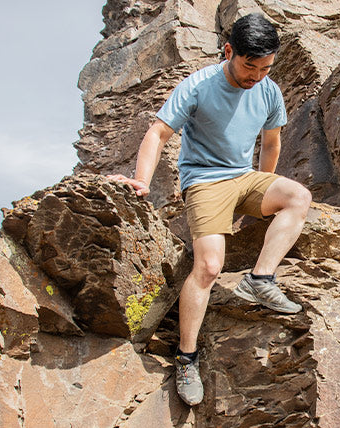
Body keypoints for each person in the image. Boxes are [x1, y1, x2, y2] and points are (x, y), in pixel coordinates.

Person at [107, 13, 311, 406]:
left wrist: (261, 191)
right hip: (203, 180)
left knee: (298, 196)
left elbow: (271, 145)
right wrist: (143, 181)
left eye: (265, 67)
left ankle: (261, 279)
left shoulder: (269, 89)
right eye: (249, 66)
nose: (256, 75)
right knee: (209, 268)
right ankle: (186, 358)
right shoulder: (199, 85)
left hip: (245, 177)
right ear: (229, 51)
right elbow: (158, 132)